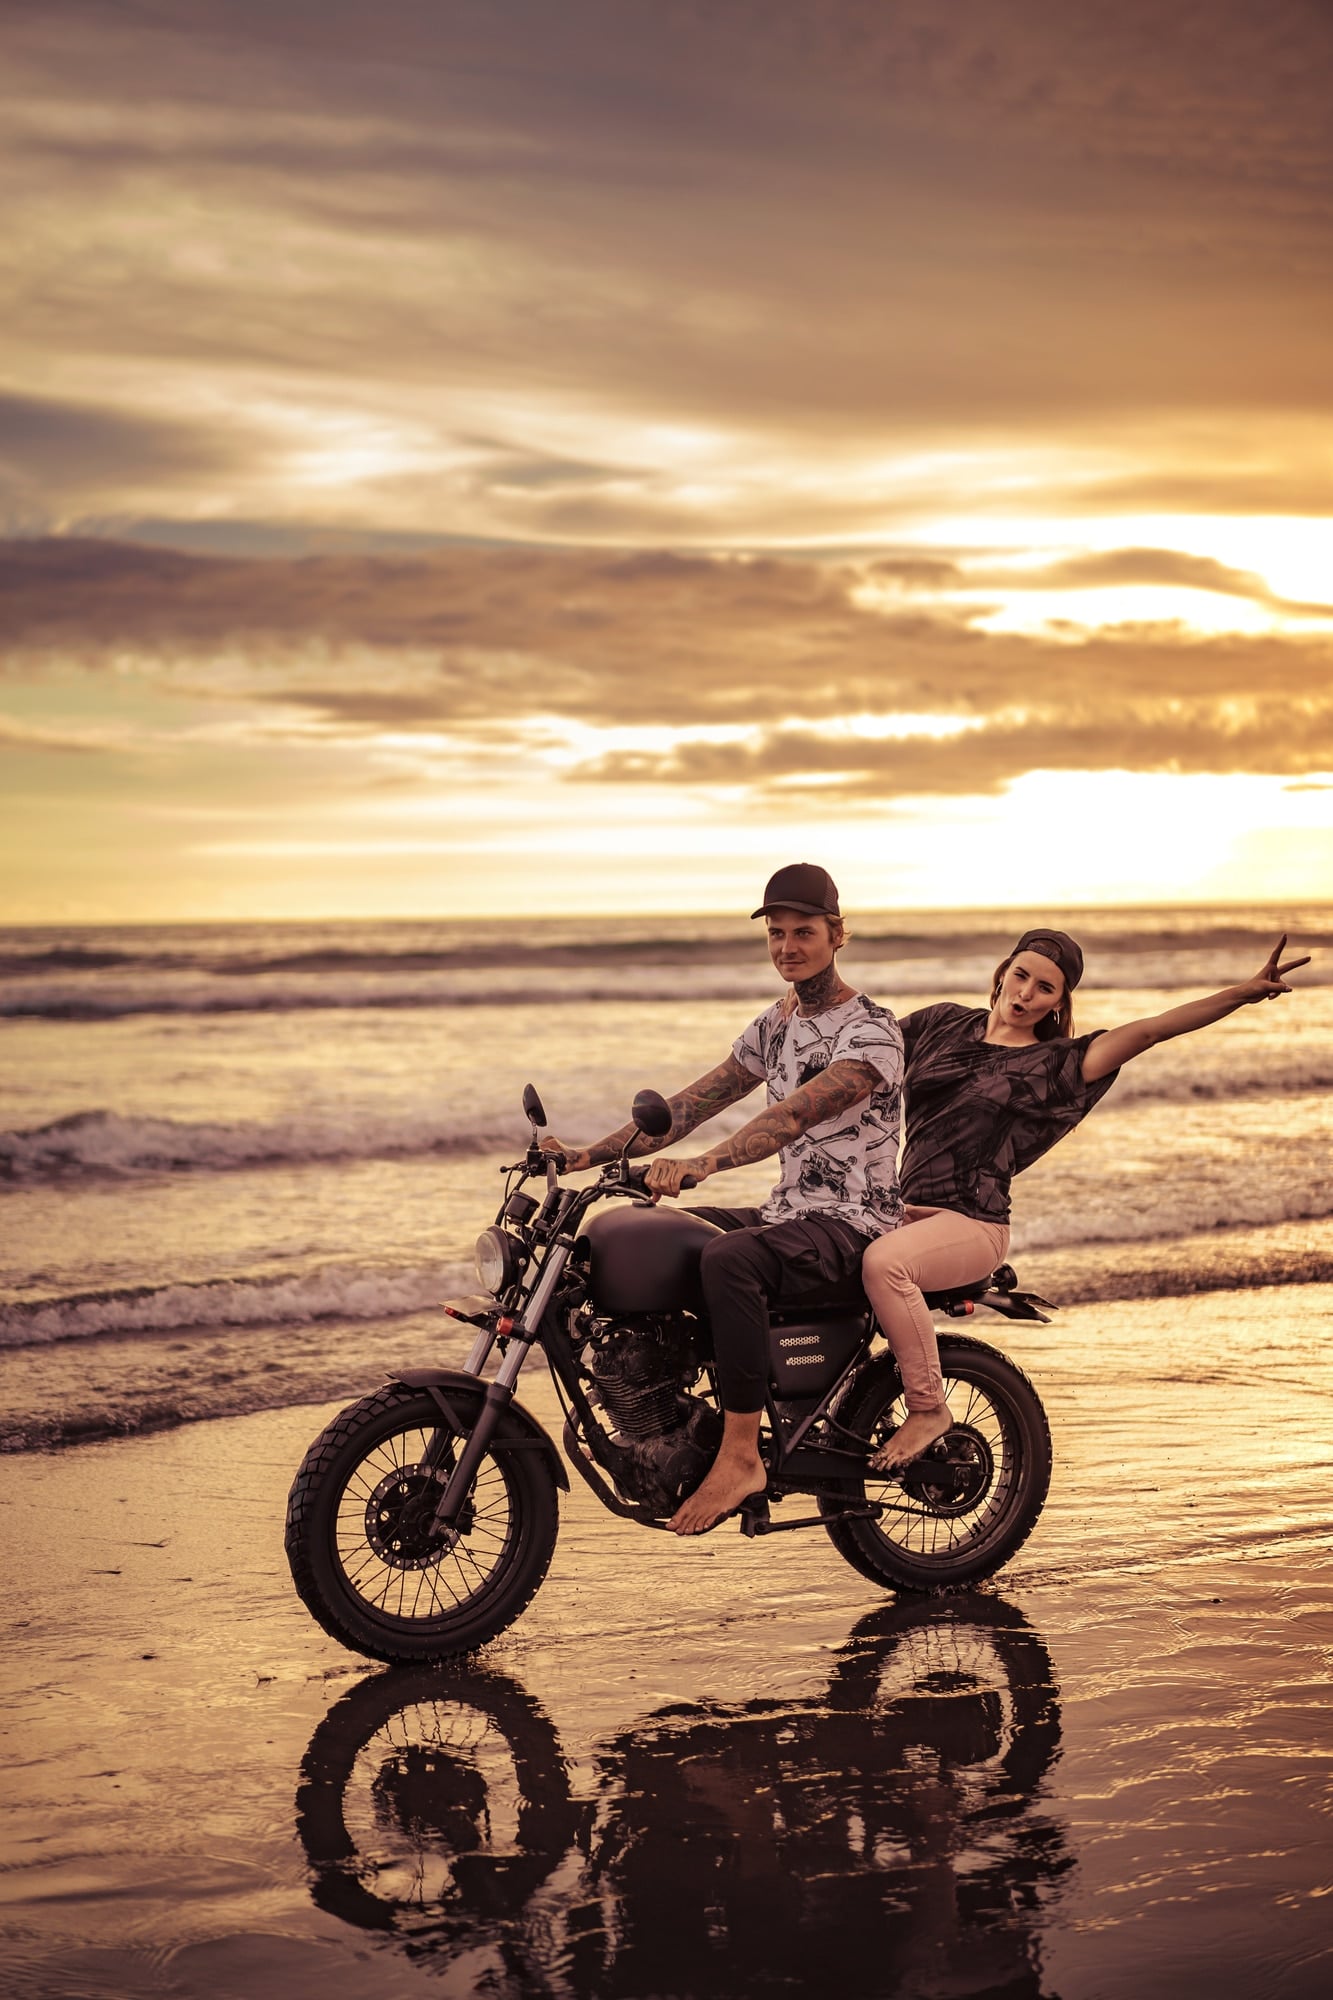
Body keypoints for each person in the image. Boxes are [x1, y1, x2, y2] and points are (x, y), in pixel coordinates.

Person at [863, 927, 1311, 1472]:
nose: (1026, 993)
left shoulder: (1057, 1064)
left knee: (883, 1265)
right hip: (904, 1212)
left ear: (1058, 1002)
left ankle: (929, 1409)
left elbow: (1150, 1031)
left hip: (971, 1224)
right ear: (1004, 972)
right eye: (1022, 975)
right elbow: (863, 1049)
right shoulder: (942, 1023)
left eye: (1045, 988)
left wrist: (1241, 993)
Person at [546, 863, 904, 1535]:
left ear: (836, 934)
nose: (787, 947)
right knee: (645, 1236)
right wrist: (590, 1156)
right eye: (775, 933)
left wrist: (707, 1163)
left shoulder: (871, 1031)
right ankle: (670, 1414)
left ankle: (740, 1457)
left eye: (803, 932)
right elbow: (692, 1102)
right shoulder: (777, 1023)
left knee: (729, 1261)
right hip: (789, 1213)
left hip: (854, 1220)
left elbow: (794, 1113)